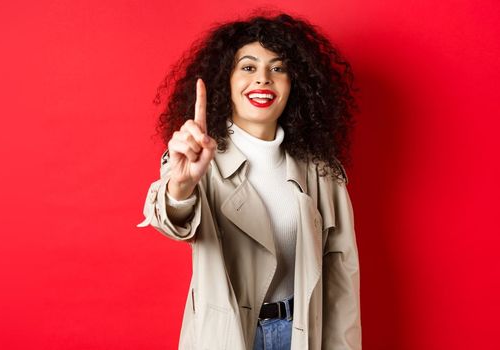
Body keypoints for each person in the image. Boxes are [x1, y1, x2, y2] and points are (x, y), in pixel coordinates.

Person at [137, 12, 362, 350]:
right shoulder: (200, 158)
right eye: (248, 67)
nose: (263, 80)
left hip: (302, 333)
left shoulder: (321, 171)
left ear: (294, 84)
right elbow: (171, 219)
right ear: (224, 81)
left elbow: (342, 278)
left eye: (278, 68)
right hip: (228, 336)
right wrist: (180, 186)